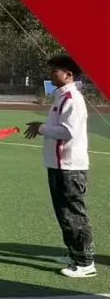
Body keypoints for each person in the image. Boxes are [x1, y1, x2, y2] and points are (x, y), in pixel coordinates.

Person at [24, 54, 95, 278]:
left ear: (68, 74)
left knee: (73, 214)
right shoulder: (61, 97)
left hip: (70, 166)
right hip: (58, 165)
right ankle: (74, 253)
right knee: (64, 213)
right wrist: (42, 126)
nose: (51, 74)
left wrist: (41, 128)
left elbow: (67, 132)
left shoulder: (72, 99)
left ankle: (85, 262)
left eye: (55, 70)